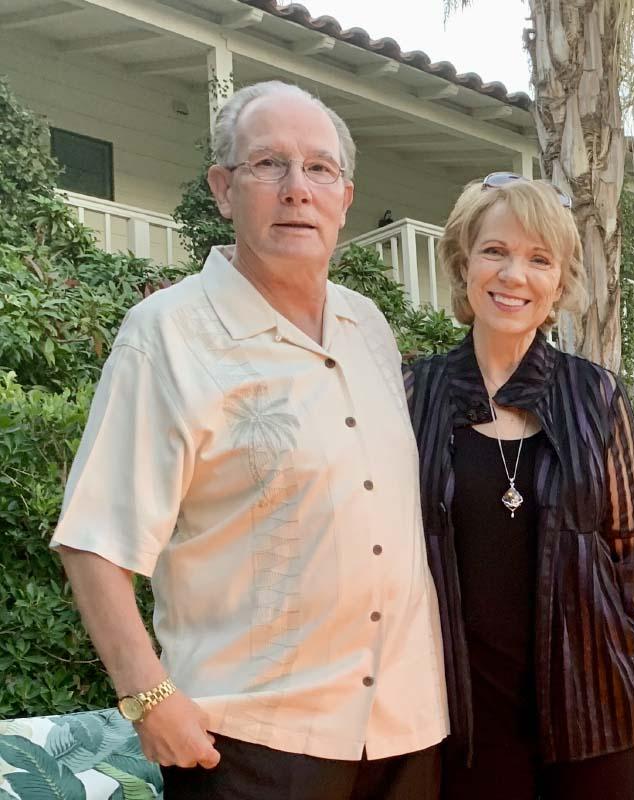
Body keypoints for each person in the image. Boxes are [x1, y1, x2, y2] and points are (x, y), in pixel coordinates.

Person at [50, 81, 448, 800]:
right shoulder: (168, 336)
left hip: (406, 731)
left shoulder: (371, 330)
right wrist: (148, 696)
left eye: (319, 169)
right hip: (252, 746)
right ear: (224, 188)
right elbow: (94, 539)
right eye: (268, 164)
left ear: (345, 196)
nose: (298, 189)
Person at [405, 174, 634, 800]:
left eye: (538, 259)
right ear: (463, 261)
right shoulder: (412, 396)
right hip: (462, 725)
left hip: (599, 715)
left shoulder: (596, 396)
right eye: (495, 251)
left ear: (558, 283)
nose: (513, 276)